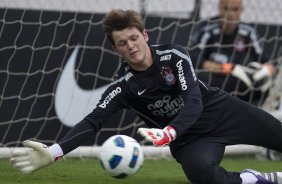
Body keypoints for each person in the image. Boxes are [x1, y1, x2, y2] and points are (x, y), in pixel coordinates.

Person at [10, 8, 282, 184]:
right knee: (202, 175)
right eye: (122, 43)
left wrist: (169, 132)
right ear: (117, 50)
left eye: (133, 38)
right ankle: (254, 179)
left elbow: (194, 100)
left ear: (145, 35)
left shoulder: (174, 56)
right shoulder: (123, 87)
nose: (131, 46)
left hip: (221, 112)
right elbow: (94, 121)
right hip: (190, 140)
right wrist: (54, 152)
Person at [189, 0, 275, 105]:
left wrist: (266, 70)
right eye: (226, 9)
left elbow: (264, 59)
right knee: (195, 80)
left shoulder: (248, 31)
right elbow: (194, 59)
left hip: (235, 83)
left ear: (241, 10)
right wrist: (227, 68)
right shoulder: (206, 28)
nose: (230, 14)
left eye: (235, 9)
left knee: (261, 85)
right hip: (210, 80)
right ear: (220, 8)